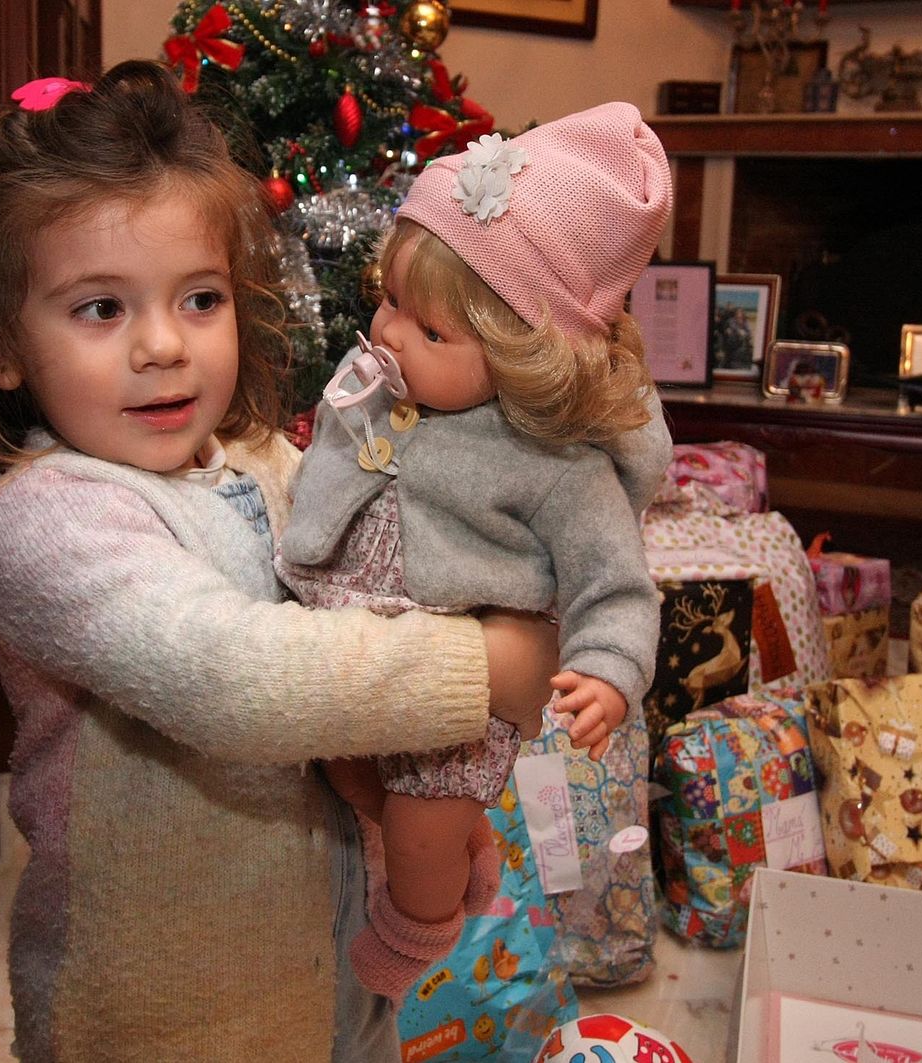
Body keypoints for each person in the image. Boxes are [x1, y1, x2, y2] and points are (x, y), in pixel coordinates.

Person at [0, 61, 560, 1061]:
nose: (162, 347)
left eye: (198, 299)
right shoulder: (47, 521)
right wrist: (487, 667)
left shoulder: (268, 460)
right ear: (5, 347)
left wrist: (420, 796)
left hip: (327, 963)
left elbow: (367, 590)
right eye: (101, 308)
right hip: (165, 1008)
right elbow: (237, 676)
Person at [275, 103, 675, 999]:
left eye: (432, 332)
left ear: (519, 352)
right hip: (352, 659)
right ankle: (462, 852)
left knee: (418, 825)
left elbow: (617, 584)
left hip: (456, 703)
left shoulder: (553, 466)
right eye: (388, 300)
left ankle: (418, 929)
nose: (388, 334)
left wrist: (609, 671)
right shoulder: (378, 385)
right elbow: (325, 470)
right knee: (348, 780)